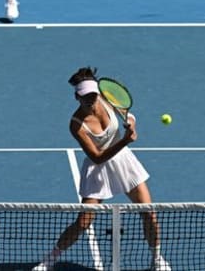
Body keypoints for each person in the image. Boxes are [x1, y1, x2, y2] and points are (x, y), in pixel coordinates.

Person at [32, 67, 171, 271]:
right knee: (83, 222)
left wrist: (131, 124)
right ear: (76, 97)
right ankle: (50, 260)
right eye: (85, 97)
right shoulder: (76, 124)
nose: (90, 100)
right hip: (99, 168)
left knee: (149, 213)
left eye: (93, 95)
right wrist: (124, 141)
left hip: (124, 163)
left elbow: (128, 114)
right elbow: (97, 158)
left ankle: (157, 259)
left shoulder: (108, 100)